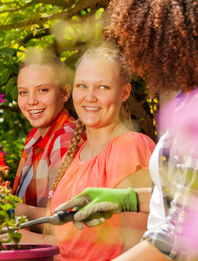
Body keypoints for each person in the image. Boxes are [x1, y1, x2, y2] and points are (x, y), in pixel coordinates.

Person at [54, 0, 198, 260]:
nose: (139, 50)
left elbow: (177, 239)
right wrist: (127, 199)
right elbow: (193, 197)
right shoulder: (195, 100)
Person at [50, 43, 156, 260]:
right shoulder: (77, 152)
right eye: (82, 86)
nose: (90, 97)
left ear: (124, 92)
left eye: (103, 87)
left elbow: (138, 248)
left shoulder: (129, 147)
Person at [12, 48, 77, 232]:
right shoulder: (34, 137)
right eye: (23, 92)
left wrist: (13, 212)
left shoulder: (66, 137)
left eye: (42, 90)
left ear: (64, 94)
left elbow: (67, 221)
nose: (31, 100)